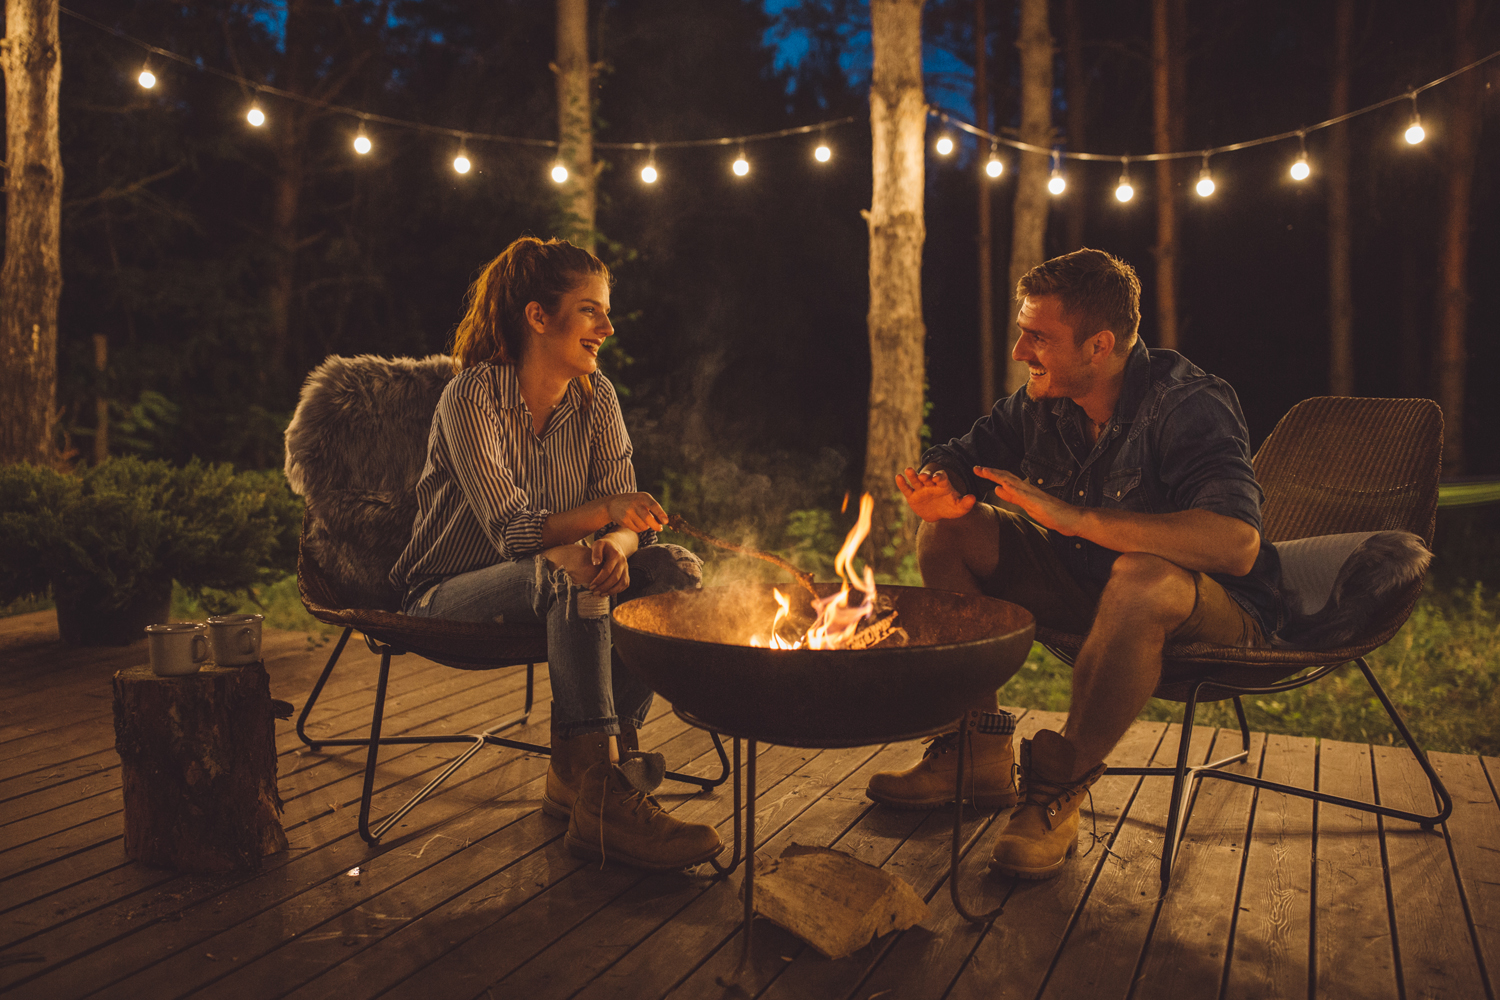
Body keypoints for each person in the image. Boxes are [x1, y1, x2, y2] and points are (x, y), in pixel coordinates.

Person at [866, 248, 1280, 880]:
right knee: (948, 532)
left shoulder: (1187, 404)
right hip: (1087, 585)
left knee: (1139, 575)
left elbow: (1236, 543)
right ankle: (975, 749)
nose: (1019, 351)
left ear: (1100, 345)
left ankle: (1058, 790)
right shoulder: (1045, 401)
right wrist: (940, 485)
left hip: (1207, 610)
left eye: (1039, 337)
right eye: (1022, 331)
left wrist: (1076, 519)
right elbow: (964, 451)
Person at [390, 236, 721, 871]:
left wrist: (618, 545)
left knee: (673, 568)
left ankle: (592, 779)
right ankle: (601, 783)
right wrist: (604, 521)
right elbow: (513, 531)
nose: (608, 325)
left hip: (558, 577)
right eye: (591, 309)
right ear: (538, 316)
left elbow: (631, 526)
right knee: (571, 571)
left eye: (606, 310)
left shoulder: (598, 400)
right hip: (445, 591)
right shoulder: (472, 397)